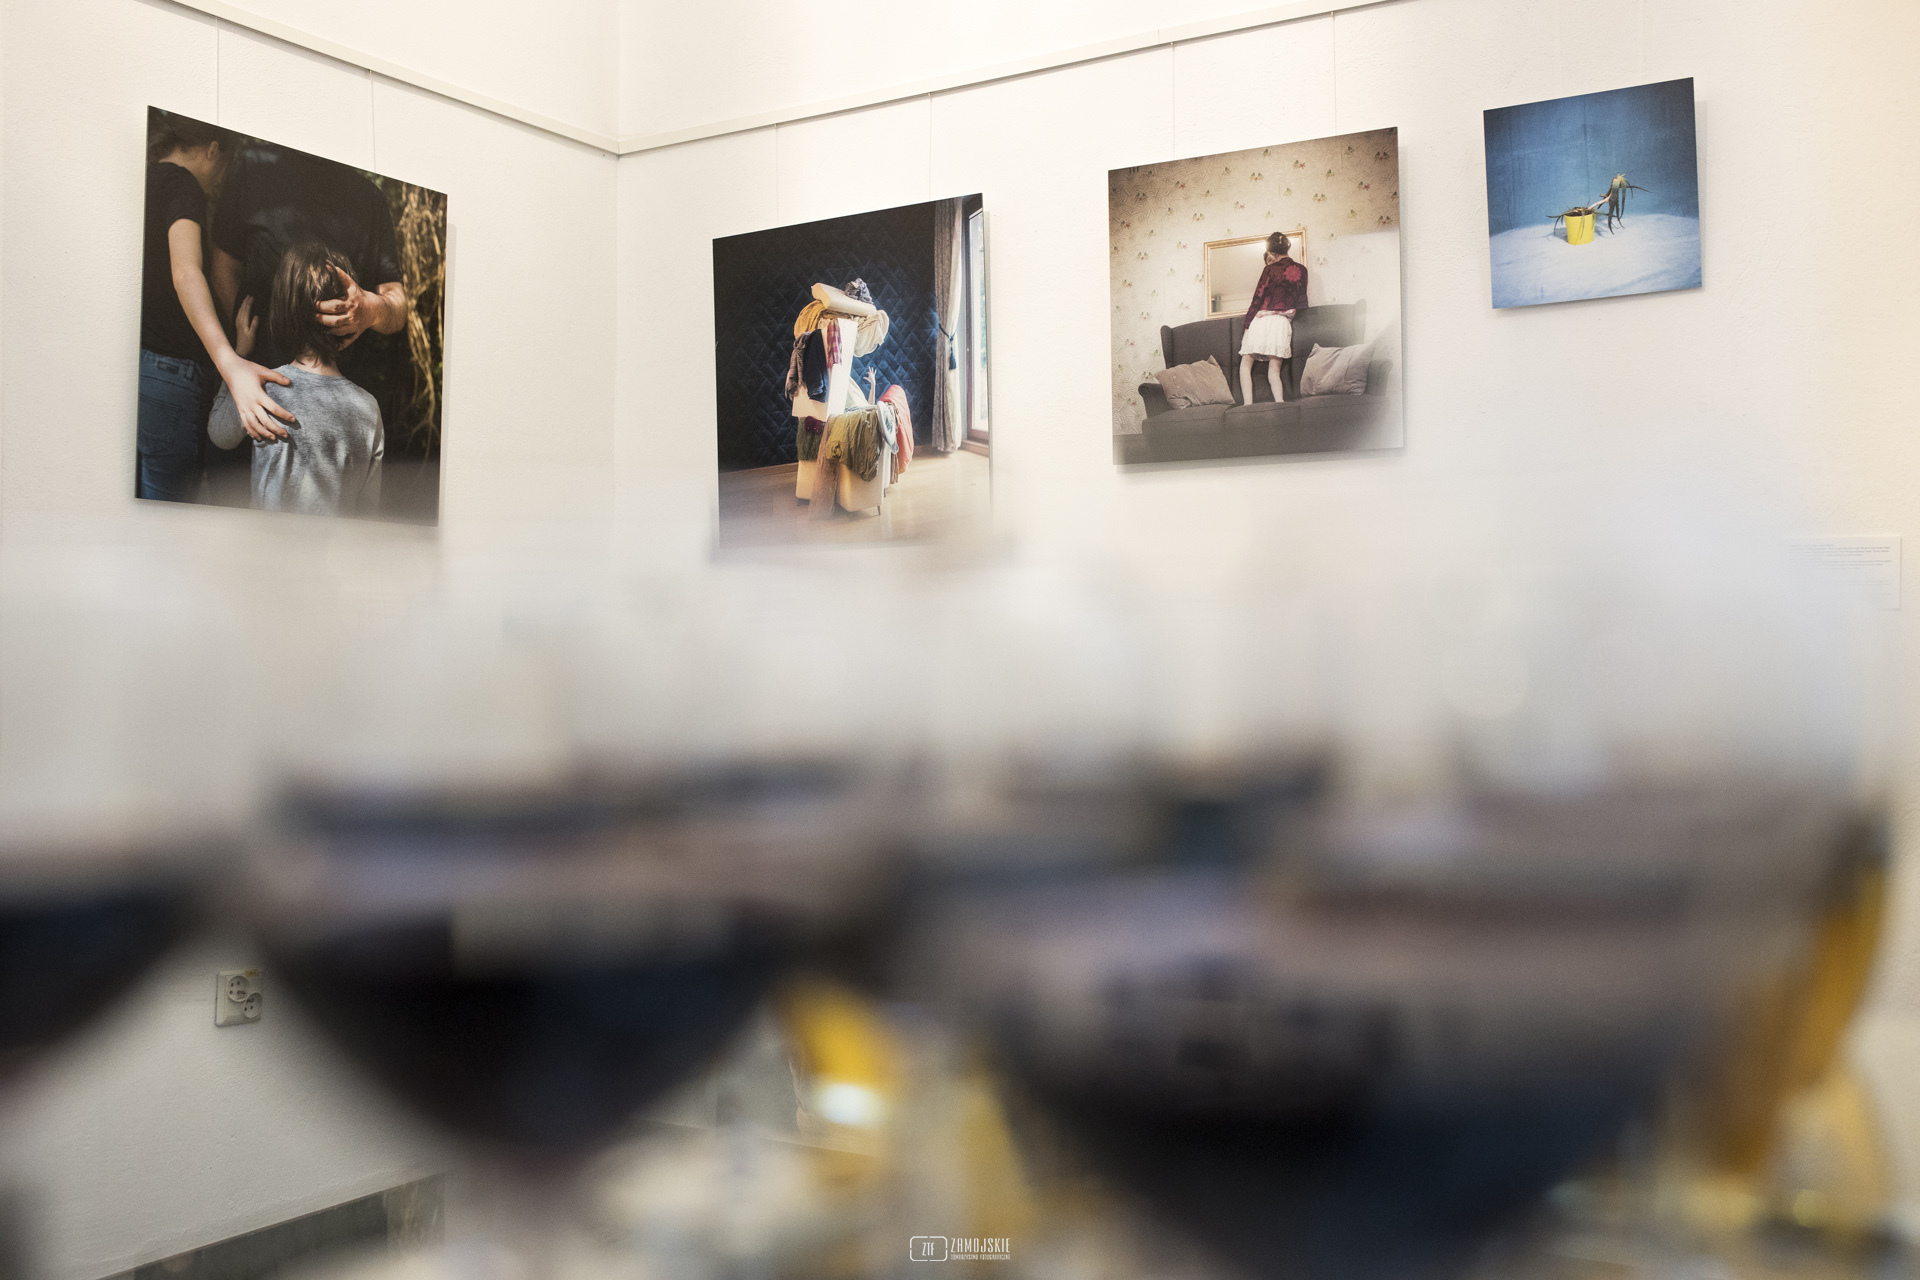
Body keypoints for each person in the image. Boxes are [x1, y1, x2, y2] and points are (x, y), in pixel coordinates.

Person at [136, 112, 298, 501]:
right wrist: (231, 361)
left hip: (139, 371)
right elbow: (186, 272)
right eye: (224, 166)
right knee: (169, 519)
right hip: (170, 375)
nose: (222, 180)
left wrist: (237, 346)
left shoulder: (142, 180)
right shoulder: (182, 184)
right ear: (212, 150)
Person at [208, 137, 409, 436]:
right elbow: (222, 268)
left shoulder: (370, 198)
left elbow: (397, 305)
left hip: (337, 405)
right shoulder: (254, 165)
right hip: (254, 386)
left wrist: (370, 309)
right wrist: (241, 354)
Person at [206, 243, 384, 517]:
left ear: (284, 313)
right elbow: (368, 511)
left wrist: (239, 356)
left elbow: (220, 435)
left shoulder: (263, 390)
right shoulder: (368, 408)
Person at [1238, 232, 1311, 408]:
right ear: (1287, 247)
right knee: (1274, 370)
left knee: (1245, 365)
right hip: (1281, 323)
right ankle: (1280, 403)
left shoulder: (1269, 270)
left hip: (1262, 321)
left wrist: (1247, 325)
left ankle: (1248, 406)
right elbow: (1302, 302)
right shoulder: (1302, 270)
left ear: (1271, 252)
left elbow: (1257, 299)